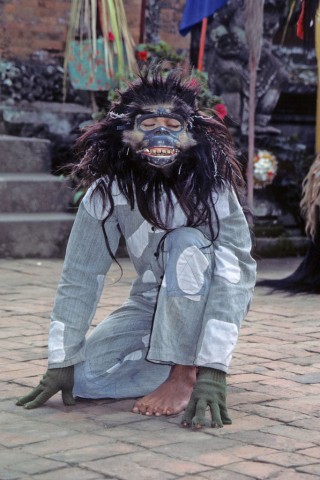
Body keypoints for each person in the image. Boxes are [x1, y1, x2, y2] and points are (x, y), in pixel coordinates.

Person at [16, 69, 256, 429]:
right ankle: (177, 355)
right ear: (125, 132)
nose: (161, 133)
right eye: (149, 123)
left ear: (191, 133)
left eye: (172, 124)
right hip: (149, 301)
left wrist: (213, 369)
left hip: (205, 299)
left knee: (185, 241)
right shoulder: (106, 192)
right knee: (84, 381)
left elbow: (234, 277)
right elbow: (80, 276)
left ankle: (186, 373)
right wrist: (61, 360)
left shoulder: (214, 190)